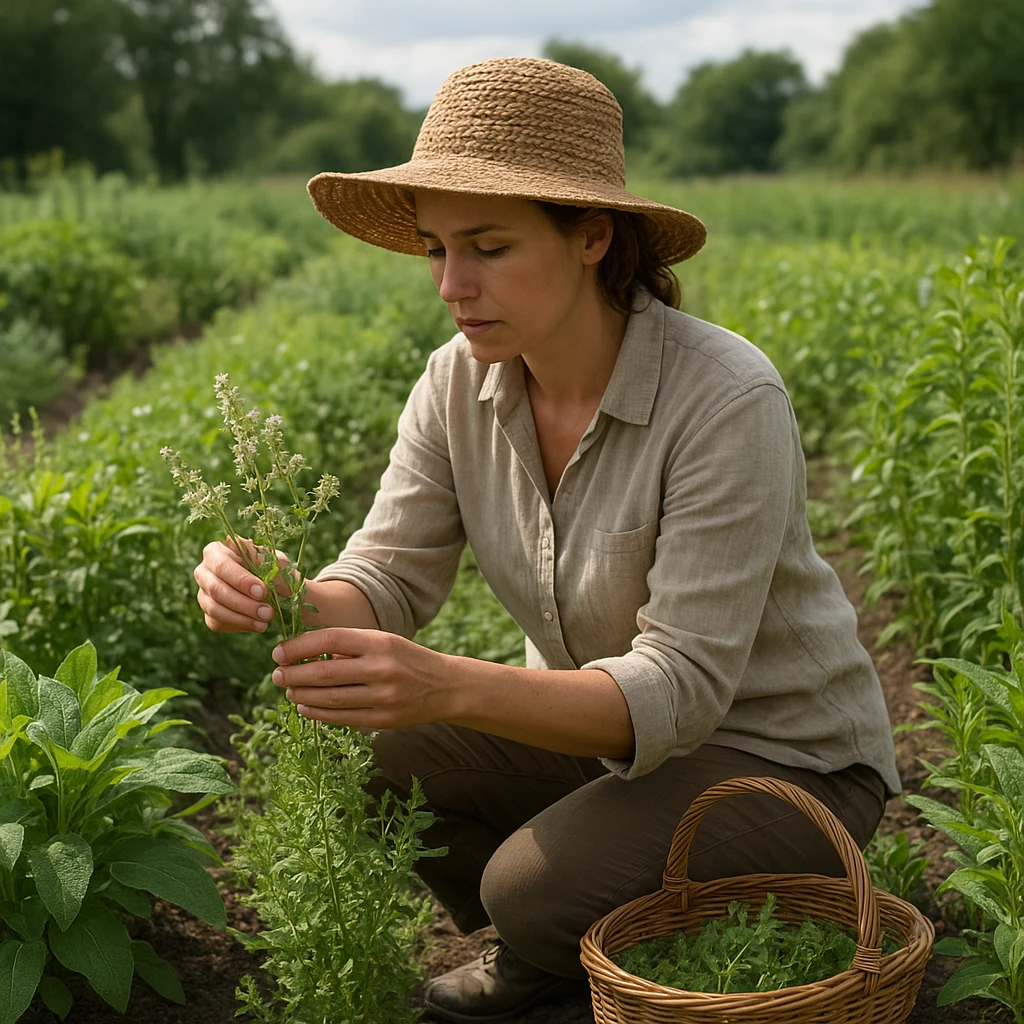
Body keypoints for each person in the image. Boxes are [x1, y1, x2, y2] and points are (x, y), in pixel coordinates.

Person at [192, 56, 902, 1024]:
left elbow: (682, 687)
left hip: (780, 760)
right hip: (597, 734)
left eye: (487, 246)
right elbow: (387, 572)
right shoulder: (458, 381)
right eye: (436, 248)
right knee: (374, 749)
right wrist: (279, 592)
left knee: (525, 886)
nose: (452, 283)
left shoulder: (725, 396)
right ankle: (574, 951)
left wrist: (446, 681)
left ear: (591, 238)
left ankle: (560, 943)